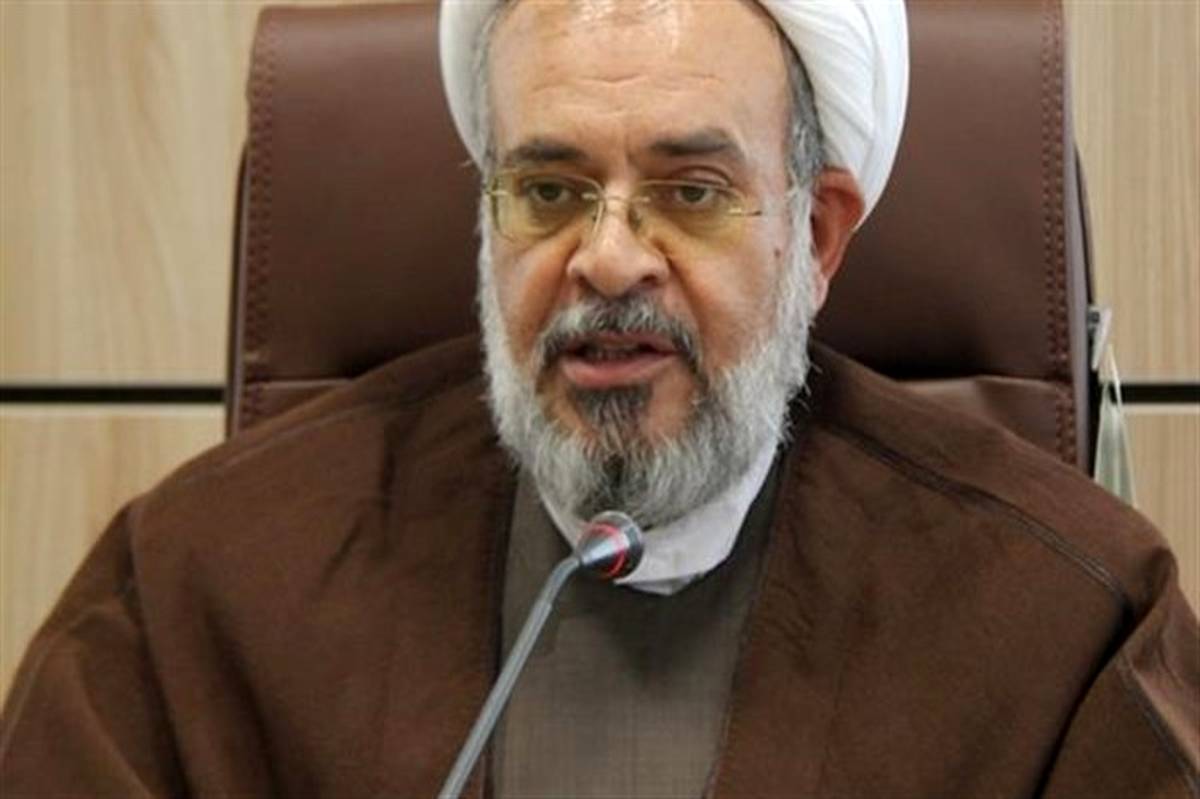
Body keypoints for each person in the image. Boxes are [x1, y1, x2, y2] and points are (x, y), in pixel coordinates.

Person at [2, 0, 1197, 796]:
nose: (611, 258)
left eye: (691, 190)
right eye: (549, 190)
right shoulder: (196, 585)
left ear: (817, 235)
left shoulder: (1062, 624)